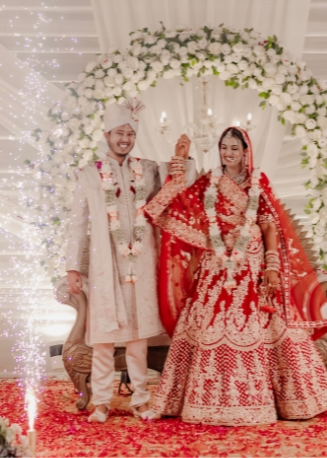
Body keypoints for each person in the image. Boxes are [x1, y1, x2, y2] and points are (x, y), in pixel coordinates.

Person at [143, 126, 327, 426]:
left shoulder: (258, 182)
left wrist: (271, 266)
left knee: (265, 326)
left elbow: (269, 225)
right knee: (211, 325)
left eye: (235, 148)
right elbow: (167, 206)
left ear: (246, 152)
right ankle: (205, 401)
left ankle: (283, 401)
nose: (228, 153)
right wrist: (179, 163)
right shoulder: (209, 182)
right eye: (224, 147)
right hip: (216, 266)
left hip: (252, 265)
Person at [64, 97, 193, 423]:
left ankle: (141, 400)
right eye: (119, 133)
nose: (125, 139)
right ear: (106, 134)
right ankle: (102, 403)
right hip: (106, 264)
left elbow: (180, 181)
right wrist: (72, 268)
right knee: (105, 336)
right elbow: (77, 224)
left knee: (138, 336)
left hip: (141, 262)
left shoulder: (147, 170)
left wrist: (182, 156)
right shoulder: (87, 175)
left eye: (130, 134)